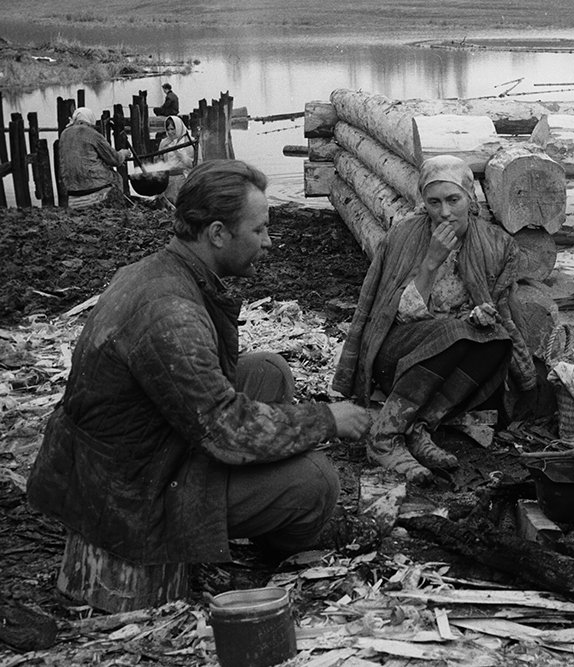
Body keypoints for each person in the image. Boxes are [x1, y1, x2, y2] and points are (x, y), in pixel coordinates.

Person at [27, 160, 371, 566]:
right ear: (218, 234)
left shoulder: (163, 270)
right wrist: (327, 420)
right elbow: (225, 428)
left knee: (268, 372)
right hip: (130, 490)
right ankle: (279, 547)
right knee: (316, 481)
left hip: (136, 448)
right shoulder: (170, 312)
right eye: (259, 229)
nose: (269, 241)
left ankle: (255, 509)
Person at [334, 155, 536, 483]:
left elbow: (502, 311)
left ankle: (420, 427)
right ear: (423, 203)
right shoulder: (403, 236)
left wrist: (486, 319)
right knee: (457, 332)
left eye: (453, 200)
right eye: (434, 202)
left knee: (496, 341)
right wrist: (430, 262)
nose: (444, 212)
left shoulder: (497, 245)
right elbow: (392, 316)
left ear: (470, 199)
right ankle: (384, 436)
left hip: (455, 353)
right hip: (399, 354)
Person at [57, 107, 131, 209]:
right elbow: (115, 159)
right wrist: (123, 153)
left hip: (72, 189)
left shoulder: (64, 134)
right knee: (117, 178)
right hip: (94, 186)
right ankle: (118, 208)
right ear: (90, 122)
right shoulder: (92, 134)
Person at [158, 115, 196, 203]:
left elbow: (196, 164)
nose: (170, 132)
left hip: (184, 179)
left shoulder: (190, 142)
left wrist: (181, 155)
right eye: (168, 129)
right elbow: (159, 163)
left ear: (179, 127)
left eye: (172, 129)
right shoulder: (164, 143)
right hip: (168, 181)